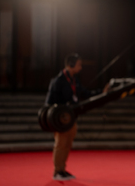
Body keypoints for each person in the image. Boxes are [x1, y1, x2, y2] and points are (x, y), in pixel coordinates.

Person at [45, 53, 109, 181]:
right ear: (71, 65)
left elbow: (85, 93)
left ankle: (62, 169)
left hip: (71, 118)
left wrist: (101, 93)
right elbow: (49, 102)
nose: (80, 68)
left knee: (68, 143)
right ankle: (57, 170)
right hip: (61, 119)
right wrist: (57, 115)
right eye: (79, 65)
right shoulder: (58, 81)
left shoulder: (74, 80)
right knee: (60, 143)